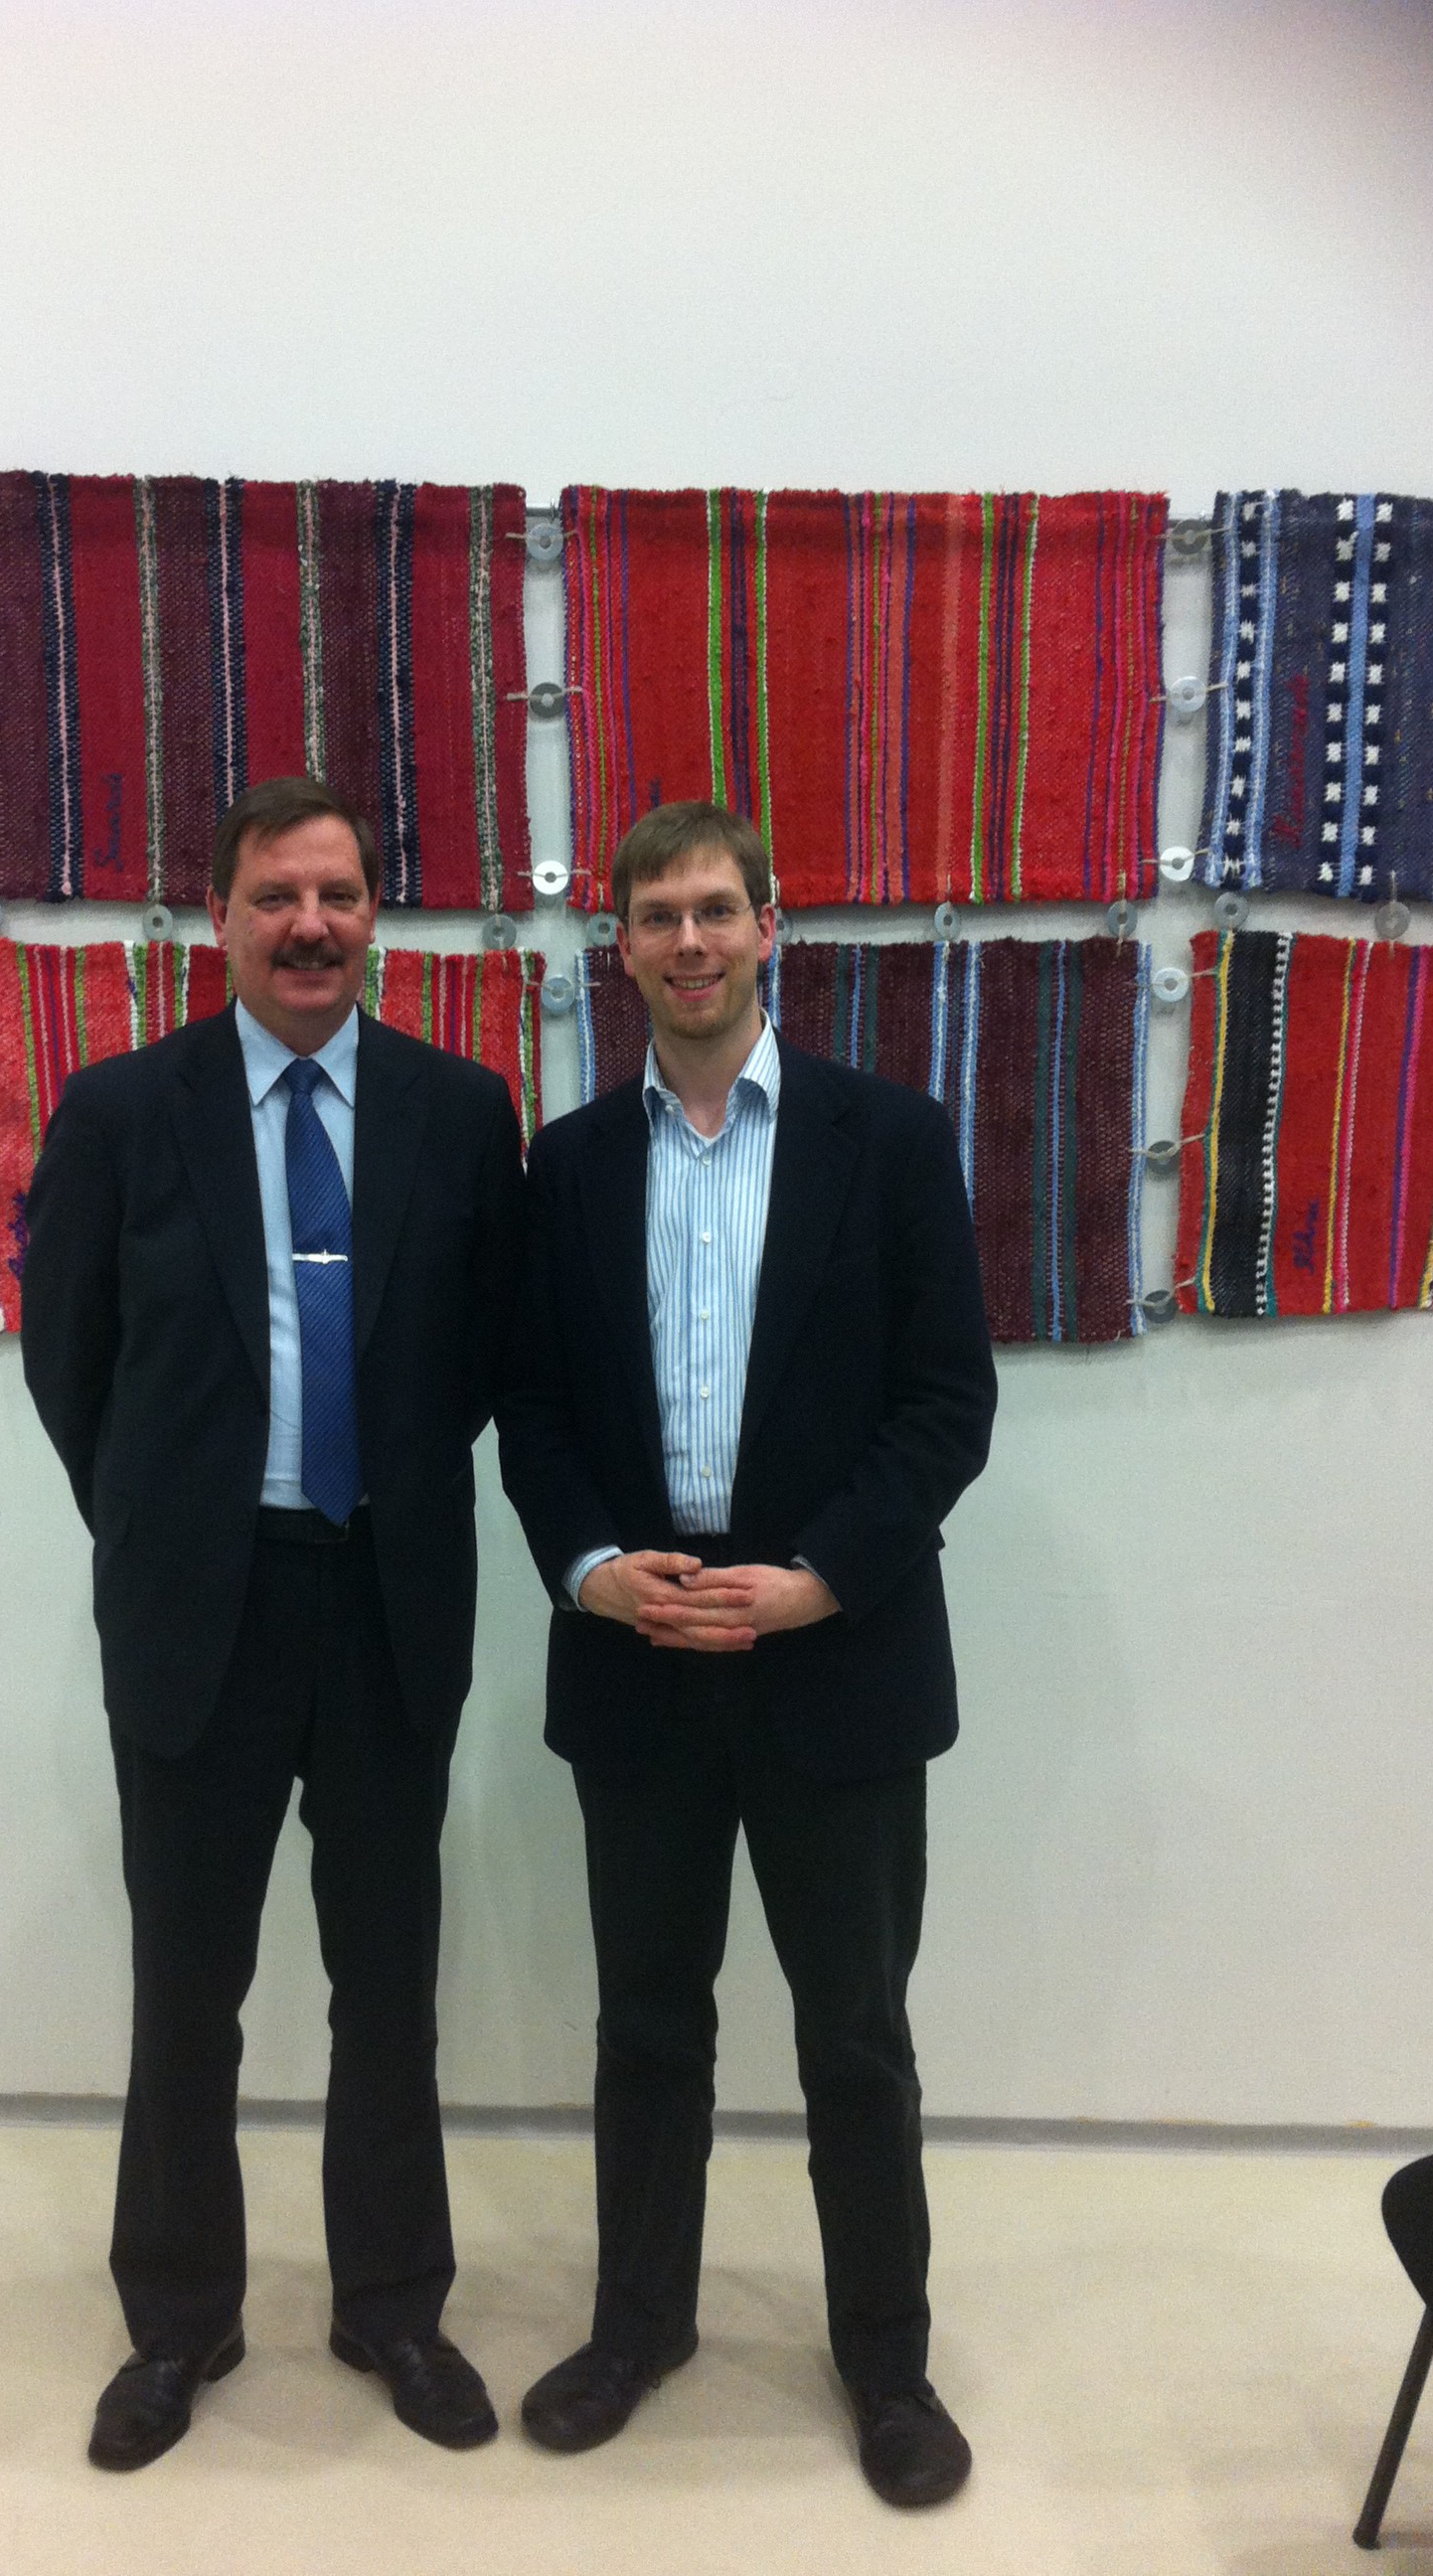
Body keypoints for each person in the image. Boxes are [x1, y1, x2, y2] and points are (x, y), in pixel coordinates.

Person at [22, 775, 524, 2471]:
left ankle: (392, 2305)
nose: (310, 925)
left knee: (388, 1986)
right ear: (219, 918)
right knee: (188, 1985)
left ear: (377, 915)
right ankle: (180, 2321)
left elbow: (482, 1355)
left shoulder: (465, 1112)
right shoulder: (121, 1112)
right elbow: (73, 1365)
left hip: (386, 1600)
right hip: (201, 1609)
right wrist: (169, 1522)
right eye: (276, 897)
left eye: (339, 894)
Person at [498, 801, 997, 2506]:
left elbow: (946, 1405)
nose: (690, 942)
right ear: (622, 947)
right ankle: (638, 2327)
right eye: (659, 916)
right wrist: (590, 1570)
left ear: (773, 926)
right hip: (638, 1656)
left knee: (854, 2035)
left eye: (717, 909)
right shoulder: (569, 1165)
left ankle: (888, 2366)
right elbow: (532, 1411)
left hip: (835, 1660)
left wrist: (819, 1581)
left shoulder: (891, 1138)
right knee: (647, 2025)